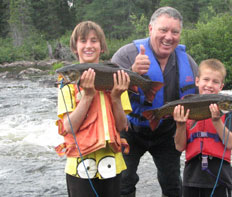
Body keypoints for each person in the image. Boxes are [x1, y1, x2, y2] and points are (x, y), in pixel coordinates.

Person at [112, 6, 198, 197]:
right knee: (123, 183)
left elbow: (200, 98)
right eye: (163, 30)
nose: (169, 37)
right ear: (151, 29)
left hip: (167, 131)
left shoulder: (188, 63)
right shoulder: (125, 56)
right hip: (130, 129)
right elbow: (108, 96)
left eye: (175, 32)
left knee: (173, 185)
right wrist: (131, 74)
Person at [55, 21, 132, 197]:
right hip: (80, 168)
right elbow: (68, 128)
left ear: (102, 46)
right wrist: (88, 96)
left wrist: (115, 97)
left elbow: (121, 126)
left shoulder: (116, 80)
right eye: (83, 41)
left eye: (94, 40)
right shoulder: (66, 86)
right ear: (75, 47)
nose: (88, 45)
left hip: (112, 164)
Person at [173, 59, 232, 197]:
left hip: (220, 178)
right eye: (206, 80)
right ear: (197, 81)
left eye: (215, 82)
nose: (209, 85)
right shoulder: (186, 106)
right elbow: (179, 146)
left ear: (221, 86)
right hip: (191, 178)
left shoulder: (230, 111)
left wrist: (217, 121)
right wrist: (181, 125)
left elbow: (231, 143)